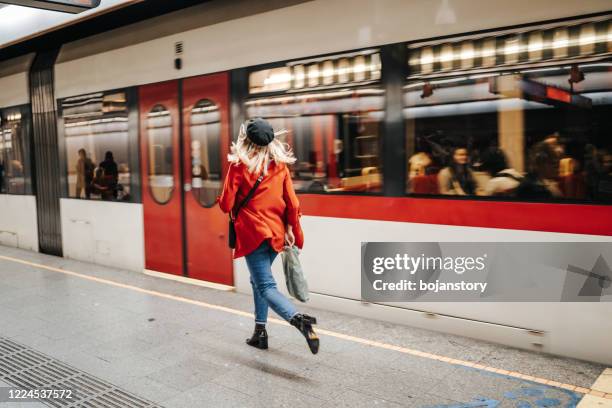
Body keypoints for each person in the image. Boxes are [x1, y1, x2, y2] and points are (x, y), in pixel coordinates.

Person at [217, 118, 319, 354]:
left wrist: (222, 198)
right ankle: (260, 332)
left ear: (246, 142)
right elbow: (292, 203)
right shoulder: (280, 166)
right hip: (276, 234)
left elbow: (226, 205)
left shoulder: (239, 166)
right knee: (258, 281)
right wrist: (293, 230)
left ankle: (299, 320)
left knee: (265, 285)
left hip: (252, 234)